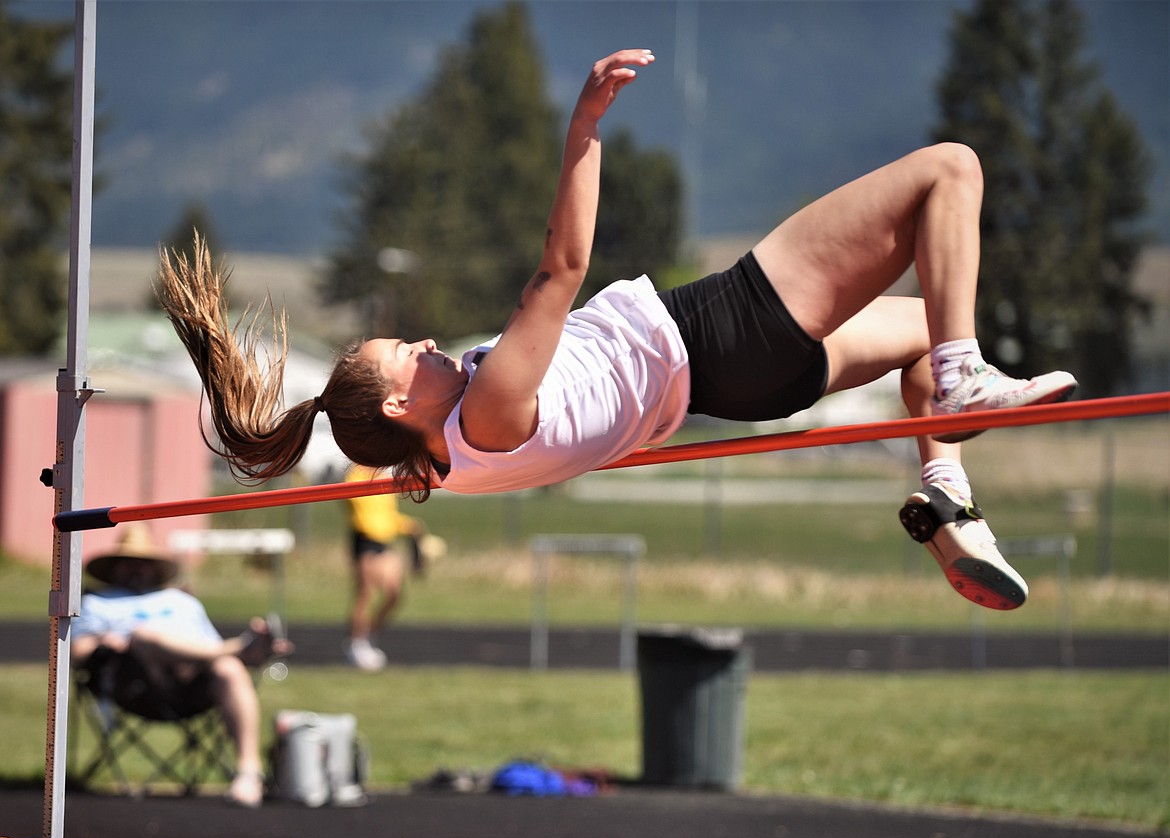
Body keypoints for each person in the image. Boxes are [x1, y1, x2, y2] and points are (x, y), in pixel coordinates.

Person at [157, 49, 1077, 611]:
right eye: (407, 354)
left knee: (918, 327)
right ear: (402, 399)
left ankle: (949, 506)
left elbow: (418, 453)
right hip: (719, 334)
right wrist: (585, 129)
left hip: (733, 389)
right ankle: (964, 376)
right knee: (949, 171)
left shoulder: (457, 464)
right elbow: (561, 269)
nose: (427, 343)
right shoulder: (489, 415)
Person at [71, 524, 289, 808]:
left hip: (195, 685)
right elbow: (75, 653)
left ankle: (249, 773)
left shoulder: (181, 601)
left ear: (154, 568)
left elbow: (208, 648)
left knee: (229, 668)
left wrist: (222, 655)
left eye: (142, 563)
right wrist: (102, 640)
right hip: (138, 683)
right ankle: (242, 649)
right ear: (114, 567)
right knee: (144, 634)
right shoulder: (96, 602)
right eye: (127, 562)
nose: (135, 569)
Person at [343, 463, 440, 671]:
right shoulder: (356, 474)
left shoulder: (382, 477)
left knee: (394, 594)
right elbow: (354, 501)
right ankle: (356, 642)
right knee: (365, 594)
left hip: (384, 541)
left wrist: (409, 526)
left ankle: (369, 635)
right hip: (366, 540)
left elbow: (388, 515)